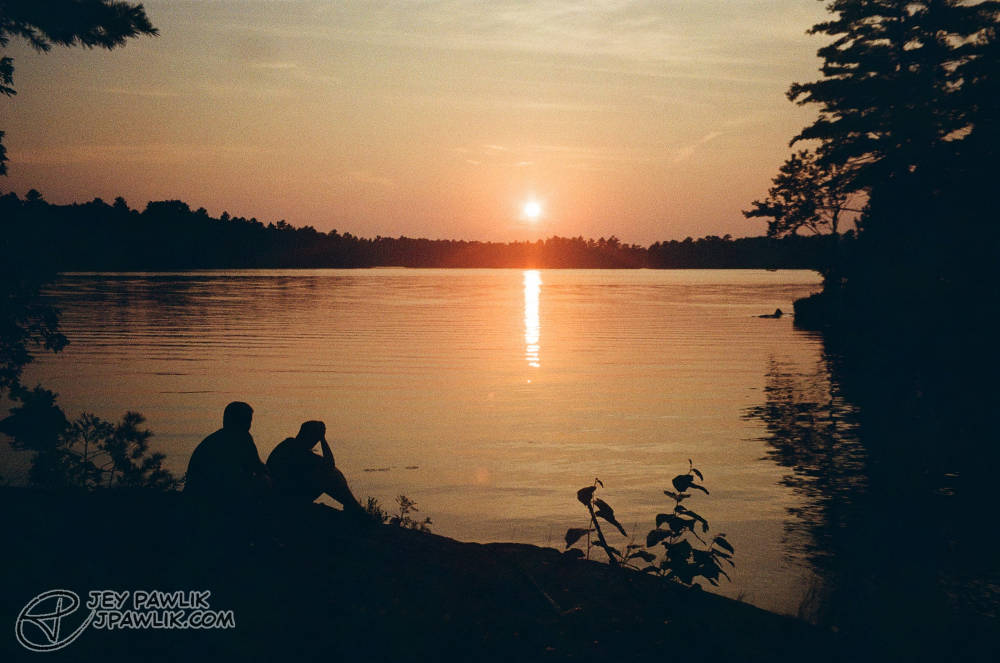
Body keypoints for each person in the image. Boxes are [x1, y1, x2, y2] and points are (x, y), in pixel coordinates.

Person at [266, 420, 366, 517]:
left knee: (331, 473)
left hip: (284, 491)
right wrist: (323, 439)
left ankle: (353, 506)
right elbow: (330, 464)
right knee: (330, 475)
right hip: (286, 496)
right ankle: (354, 507)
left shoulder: (290, 445)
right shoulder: (296, 450)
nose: (315, 443)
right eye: (315, 439)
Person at [184, 401, 271, 505]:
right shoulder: (242, 438)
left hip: (197, 495)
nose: (248, 426)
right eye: (246, 421)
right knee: (264, 481)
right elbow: (257, 467)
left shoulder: (212, 440)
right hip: (215, 496)